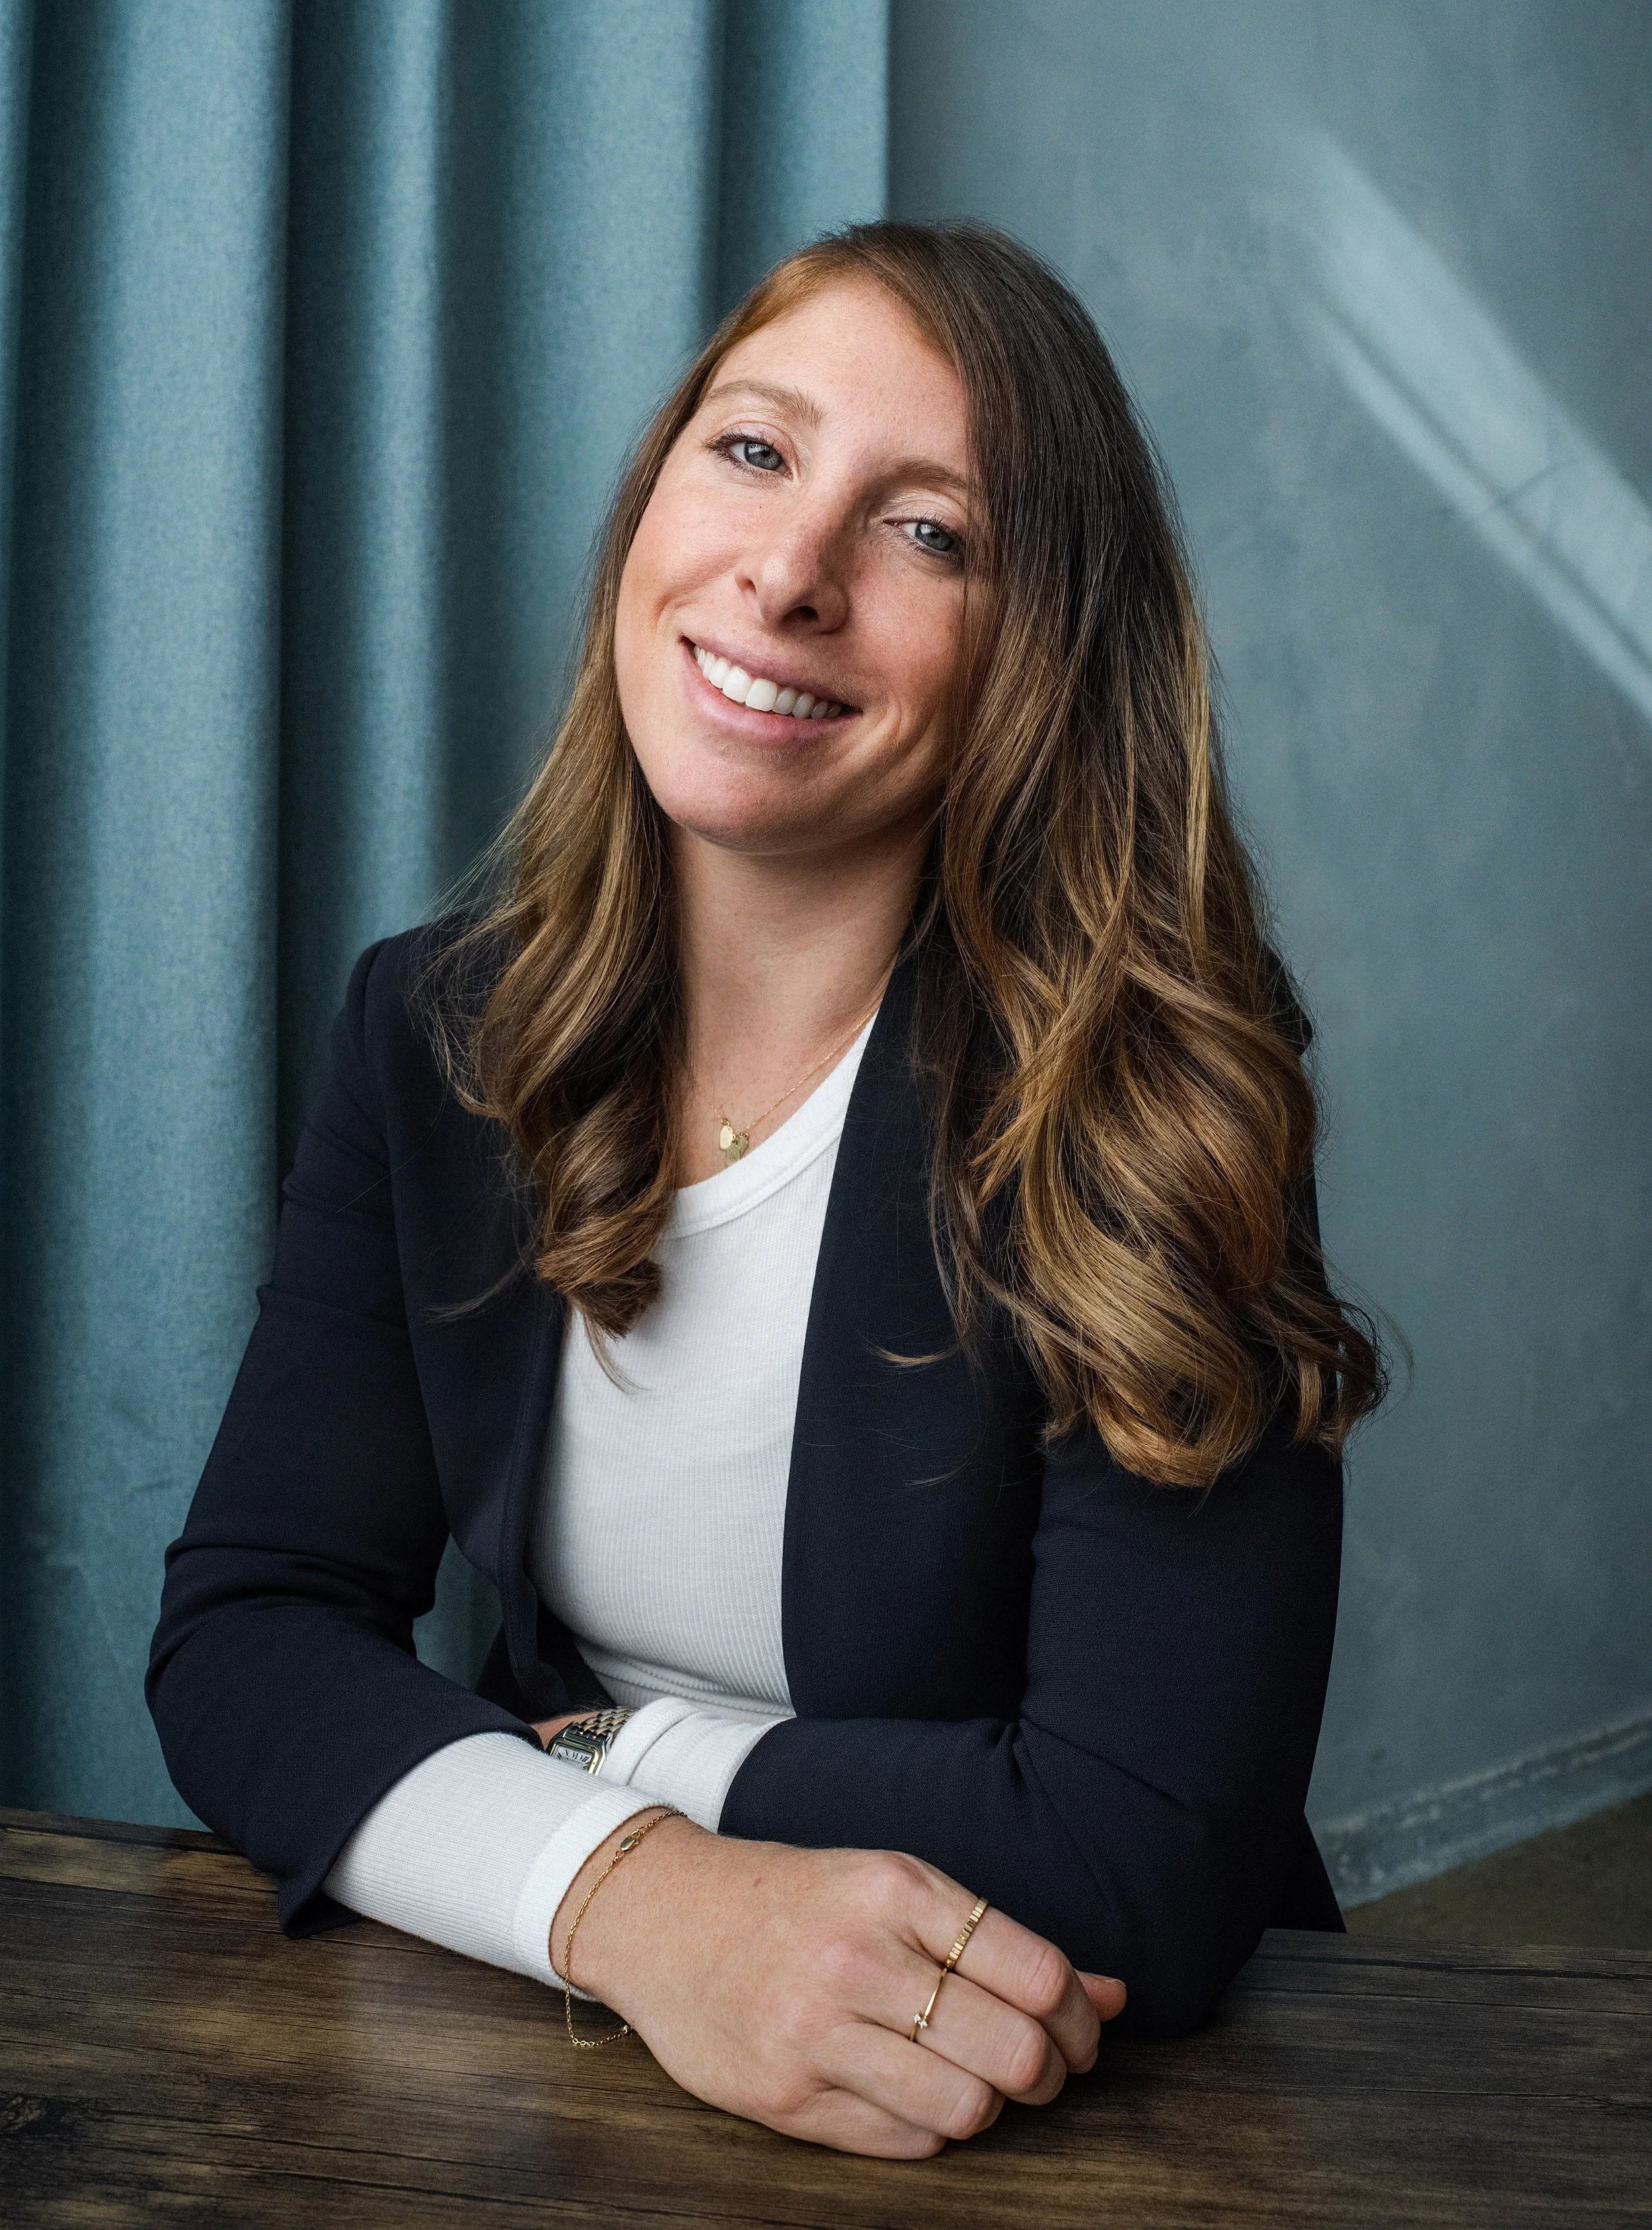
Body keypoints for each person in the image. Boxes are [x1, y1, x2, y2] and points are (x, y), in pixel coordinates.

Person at [148, 220, 1383, 2162]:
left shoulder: (1156, 1099)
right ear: (651, 495)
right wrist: (630, 1900)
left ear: (1040, 653)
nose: (788, 575)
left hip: (1079, 2109)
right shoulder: (431, 1027)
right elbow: (248, 1632)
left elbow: (1140, 1846)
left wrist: (608, 1762)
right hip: (566, 2032)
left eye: (928, 533)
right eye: (750, 451)